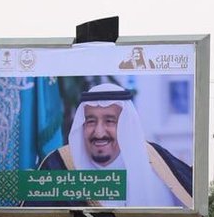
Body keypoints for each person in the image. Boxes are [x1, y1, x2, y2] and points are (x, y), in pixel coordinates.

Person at [35, 83, 192, 207]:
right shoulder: (59, 165)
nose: (99, 133)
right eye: (90, 121)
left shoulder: (158, 162)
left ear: (126, 126)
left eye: (110, 121)